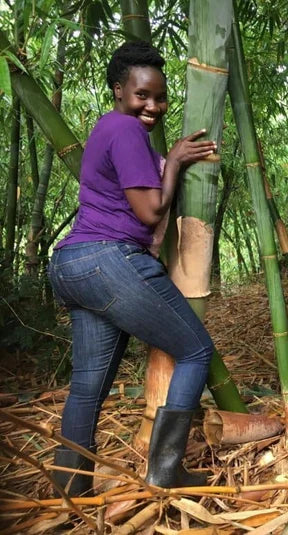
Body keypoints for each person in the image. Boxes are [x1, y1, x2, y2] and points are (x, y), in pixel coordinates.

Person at [47, 41, 217, 496]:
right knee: (196, 351)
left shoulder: (109, 129)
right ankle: (165, 472)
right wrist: (177, 161)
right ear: (119, 90)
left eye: (160, 97)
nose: (153, 106)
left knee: (88, 386)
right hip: (107, 260)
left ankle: (70, 486)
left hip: (73, 264)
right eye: (142, 94)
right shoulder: (123, 129)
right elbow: (149, 210)